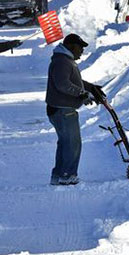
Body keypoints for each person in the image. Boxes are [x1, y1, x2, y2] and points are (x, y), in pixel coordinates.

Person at [45, 34, 103, 185]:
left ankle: (58, 174)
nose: (82, 51)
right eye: (80, 47)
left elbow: (73, 81)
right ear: (71, 46)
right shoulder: (62, 61)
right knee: (72, 144)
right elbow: (63, 84)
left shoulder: (64, 60)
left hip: (61, 109)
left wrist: (91, 88)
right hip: (63, 110)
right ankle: (67, 175)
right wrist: (82, 93)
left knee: (65, 143)